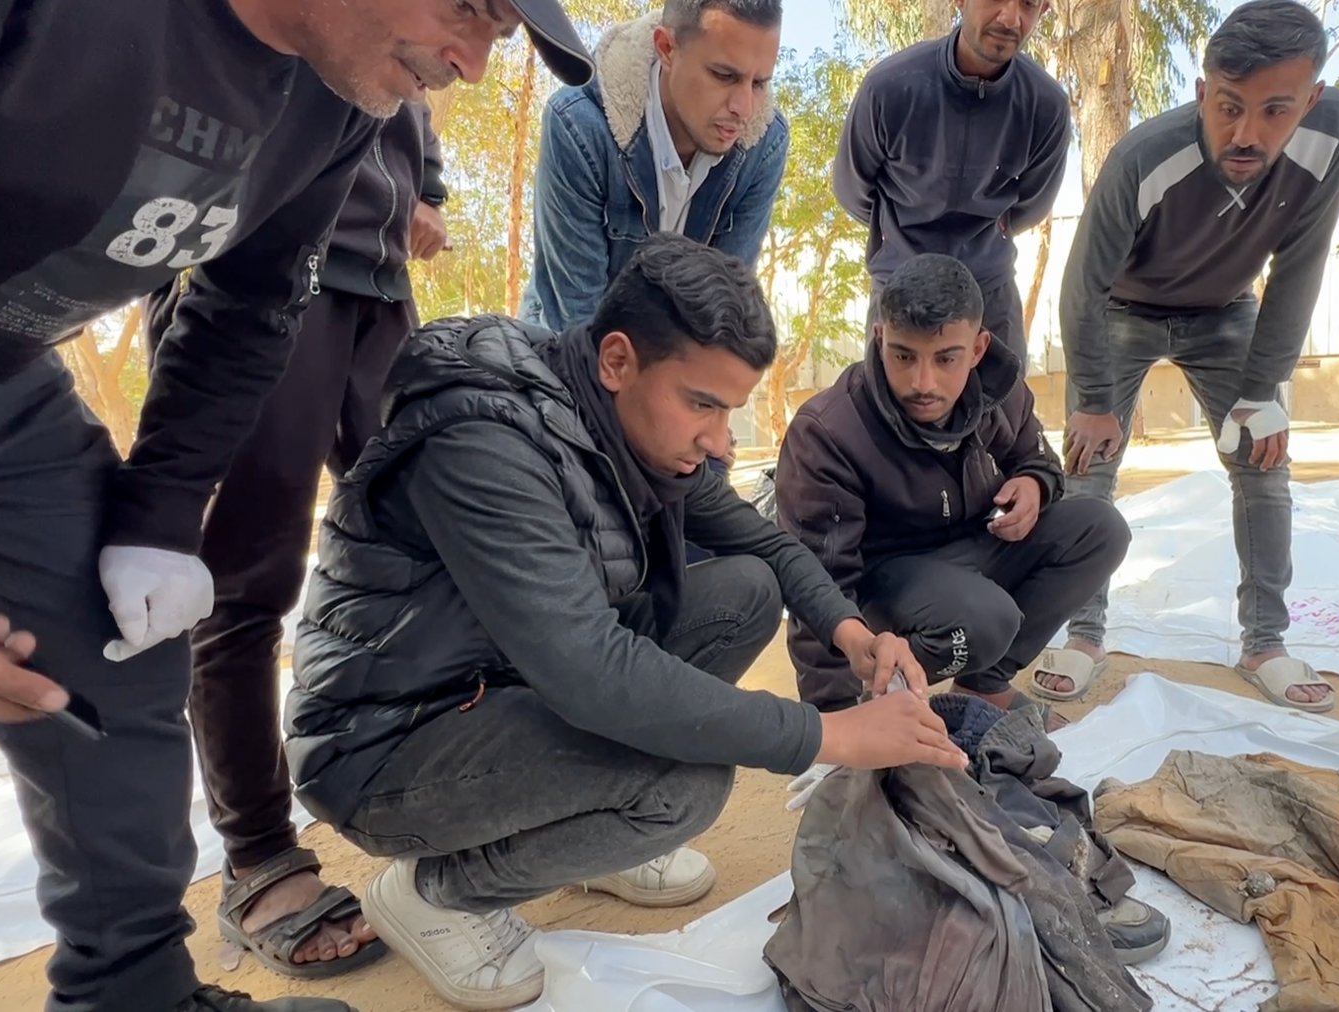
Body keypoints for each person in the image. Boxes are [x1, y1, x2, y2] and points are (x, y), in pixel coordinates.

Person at [0, 0, 593, 1009]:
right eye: (470, 7)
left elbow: (250, 303)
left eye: (503, 33)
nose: (472, 64)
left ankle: (133, 989)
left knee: (114, 648)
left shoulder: (335, 103)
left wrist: (161, 518)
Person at [283, 235, 970, 1011]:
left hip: (495, 686)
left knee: (742, 589)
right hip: (383, 740)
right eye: (703, 405)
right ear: (617, 361)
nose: (719, 441)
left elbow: (769, 546)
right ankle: (437, 894)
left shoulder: (617, 420)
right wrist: (830, 735)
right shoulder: (484, 442)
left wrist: (854, 634)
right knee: (682, 786)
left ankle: (588, 827)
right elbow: (589, 672)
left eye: (730, 410)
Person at [137, 101, 449, 979]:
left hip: (380, 283)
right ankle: (259, 857)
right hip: (255, 268)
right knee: (243, 583)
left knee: (430, 560)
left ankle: (430, 802)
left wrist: (425, 185)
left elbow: (410, 91)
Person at [1059, 0, 1339, 712]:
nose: (1246, 133)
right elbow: (1082, 287)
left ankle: (1266, 643)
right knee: (1088, 467)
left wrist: (1265, 389)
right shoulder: (1144, 157)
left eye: (1275, 111)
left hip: (1227, 312)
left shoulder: (1332, 132)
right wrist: (1096, 403)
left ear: (1310, 100)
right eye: (1228, 107)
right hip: (1122, 312)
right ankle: (1082, 635)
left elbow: (1300, 268)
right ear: (1202, 93)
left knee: (1263, 461)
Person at [776, 253, 1129, 719]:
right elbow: (815, 583)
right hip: (882, 583)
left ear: (978, 349)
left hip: (973, 551)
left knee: (1101, 527)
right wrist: (834, 717)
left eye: (946, 358)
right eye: (904, 356)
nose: (924, 382)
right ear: (879, 338)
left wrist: (1033, 484)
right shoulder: (828, 431)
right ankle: (882, 696)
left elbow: (1038, 459)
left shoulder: (1001, 391)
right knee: (984, 619)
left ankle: (982, 685)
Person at [520, 0, 789, 332]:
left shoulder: (763, 143)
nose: (744, 108)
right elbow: (576, 330)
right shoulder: (579, 125)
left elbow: (721, 317)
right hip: (565, 351)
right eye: (724, 75)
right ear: (666, 49)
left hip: (671, 357)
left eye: (760, 83)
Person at [832, 0, 1070, 364]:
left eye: (1028, 4)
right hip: (899, 291)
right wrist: (901, 245)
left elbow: (1032, 204)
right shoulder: (890, 88)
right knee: (885, 420)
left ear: (1045, 11)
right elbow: (853, 188)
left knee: (1004, 418)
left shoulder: (1046, 105)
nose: (1010, 18)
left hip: (991, 296)